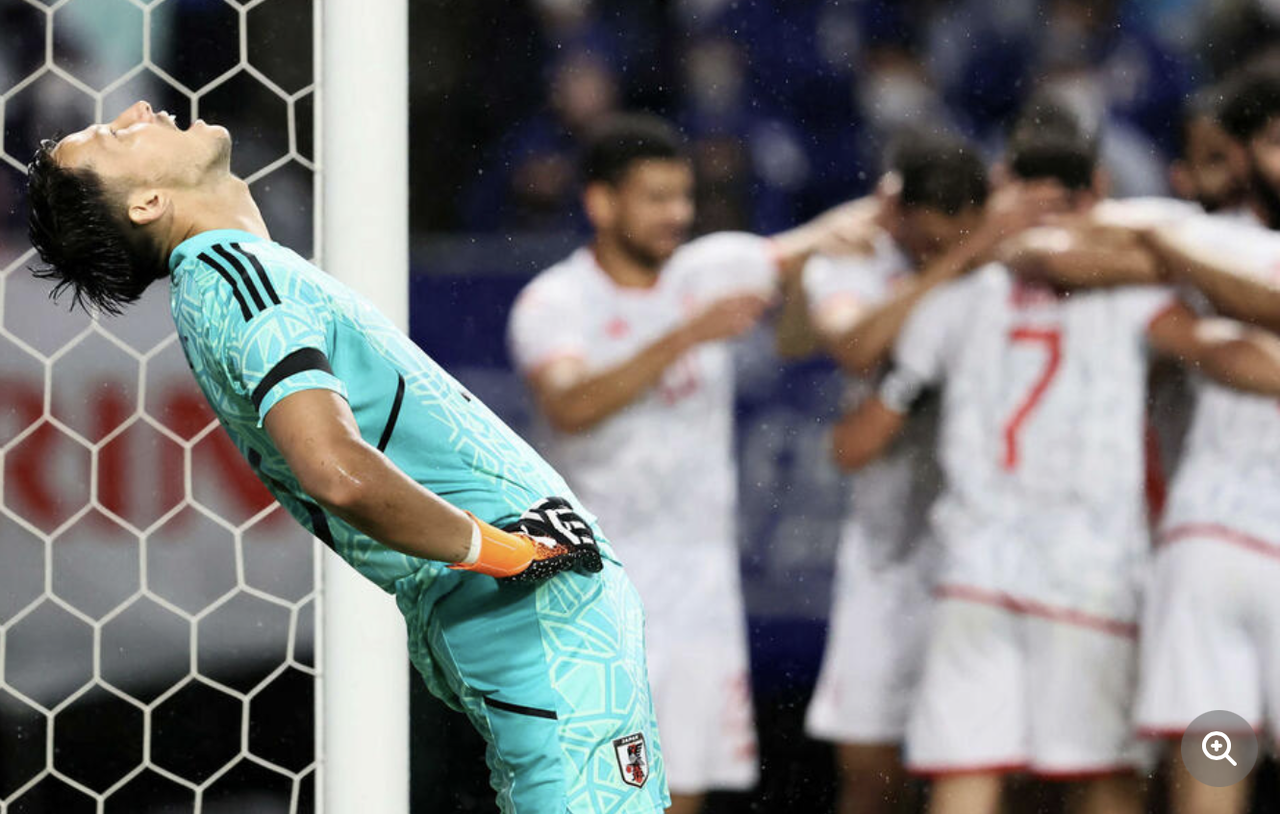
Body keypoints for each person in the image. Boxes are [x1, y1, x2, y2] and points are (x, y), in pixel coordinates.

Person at [25, 101, 669, 814]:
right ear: (147, 203)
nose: (137, 109)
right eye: (115, 136)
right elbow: (333, 471)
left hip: (533, 614)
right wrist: (509, 552)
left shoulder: (238, 276)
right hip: (530, 612)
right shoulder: (234, 275)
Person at [832, 102, 1280, 814]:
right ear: (1096, 188)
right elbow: (1216, 352)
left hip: (976, 568)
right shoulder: (1129, 290)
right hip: (1089, 572)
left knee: (967, 776)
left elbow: (856, 439)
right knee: (1103, 779)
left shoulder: (958, 298)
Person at [506, 112, 846, 814]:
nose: (677, 215)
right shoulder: (555, 301)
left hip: (698, 589)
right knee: (587, 795)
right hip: (596, 588)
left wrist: (808, 267)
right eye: (656, 198)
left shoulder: (709, 269)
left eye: (684, 197)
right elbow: (570, 403)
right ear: (602, 203)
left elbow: (817, 254)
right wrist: (686, 333)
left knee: (677, 793)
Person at [801, 133, 1064, 814]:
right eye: (926, 242)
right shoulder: (850, 260)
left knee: (1006, 766)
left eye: (955, 238)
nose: (935, 252)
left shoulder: (1013, 267)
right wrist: (960, 262)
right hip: (886, 548)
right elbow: (855, 346)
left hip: (987, 543)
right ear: (898, 214)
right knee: (870, 770)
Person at [1131, 67, 1280, 814]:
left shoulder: (1196, 246)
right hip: (1214, 547)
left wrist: (1172, 253)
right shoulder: (1210, 238)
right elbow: (1064, 258)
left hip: (1219, 544)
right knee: (1215, 765)